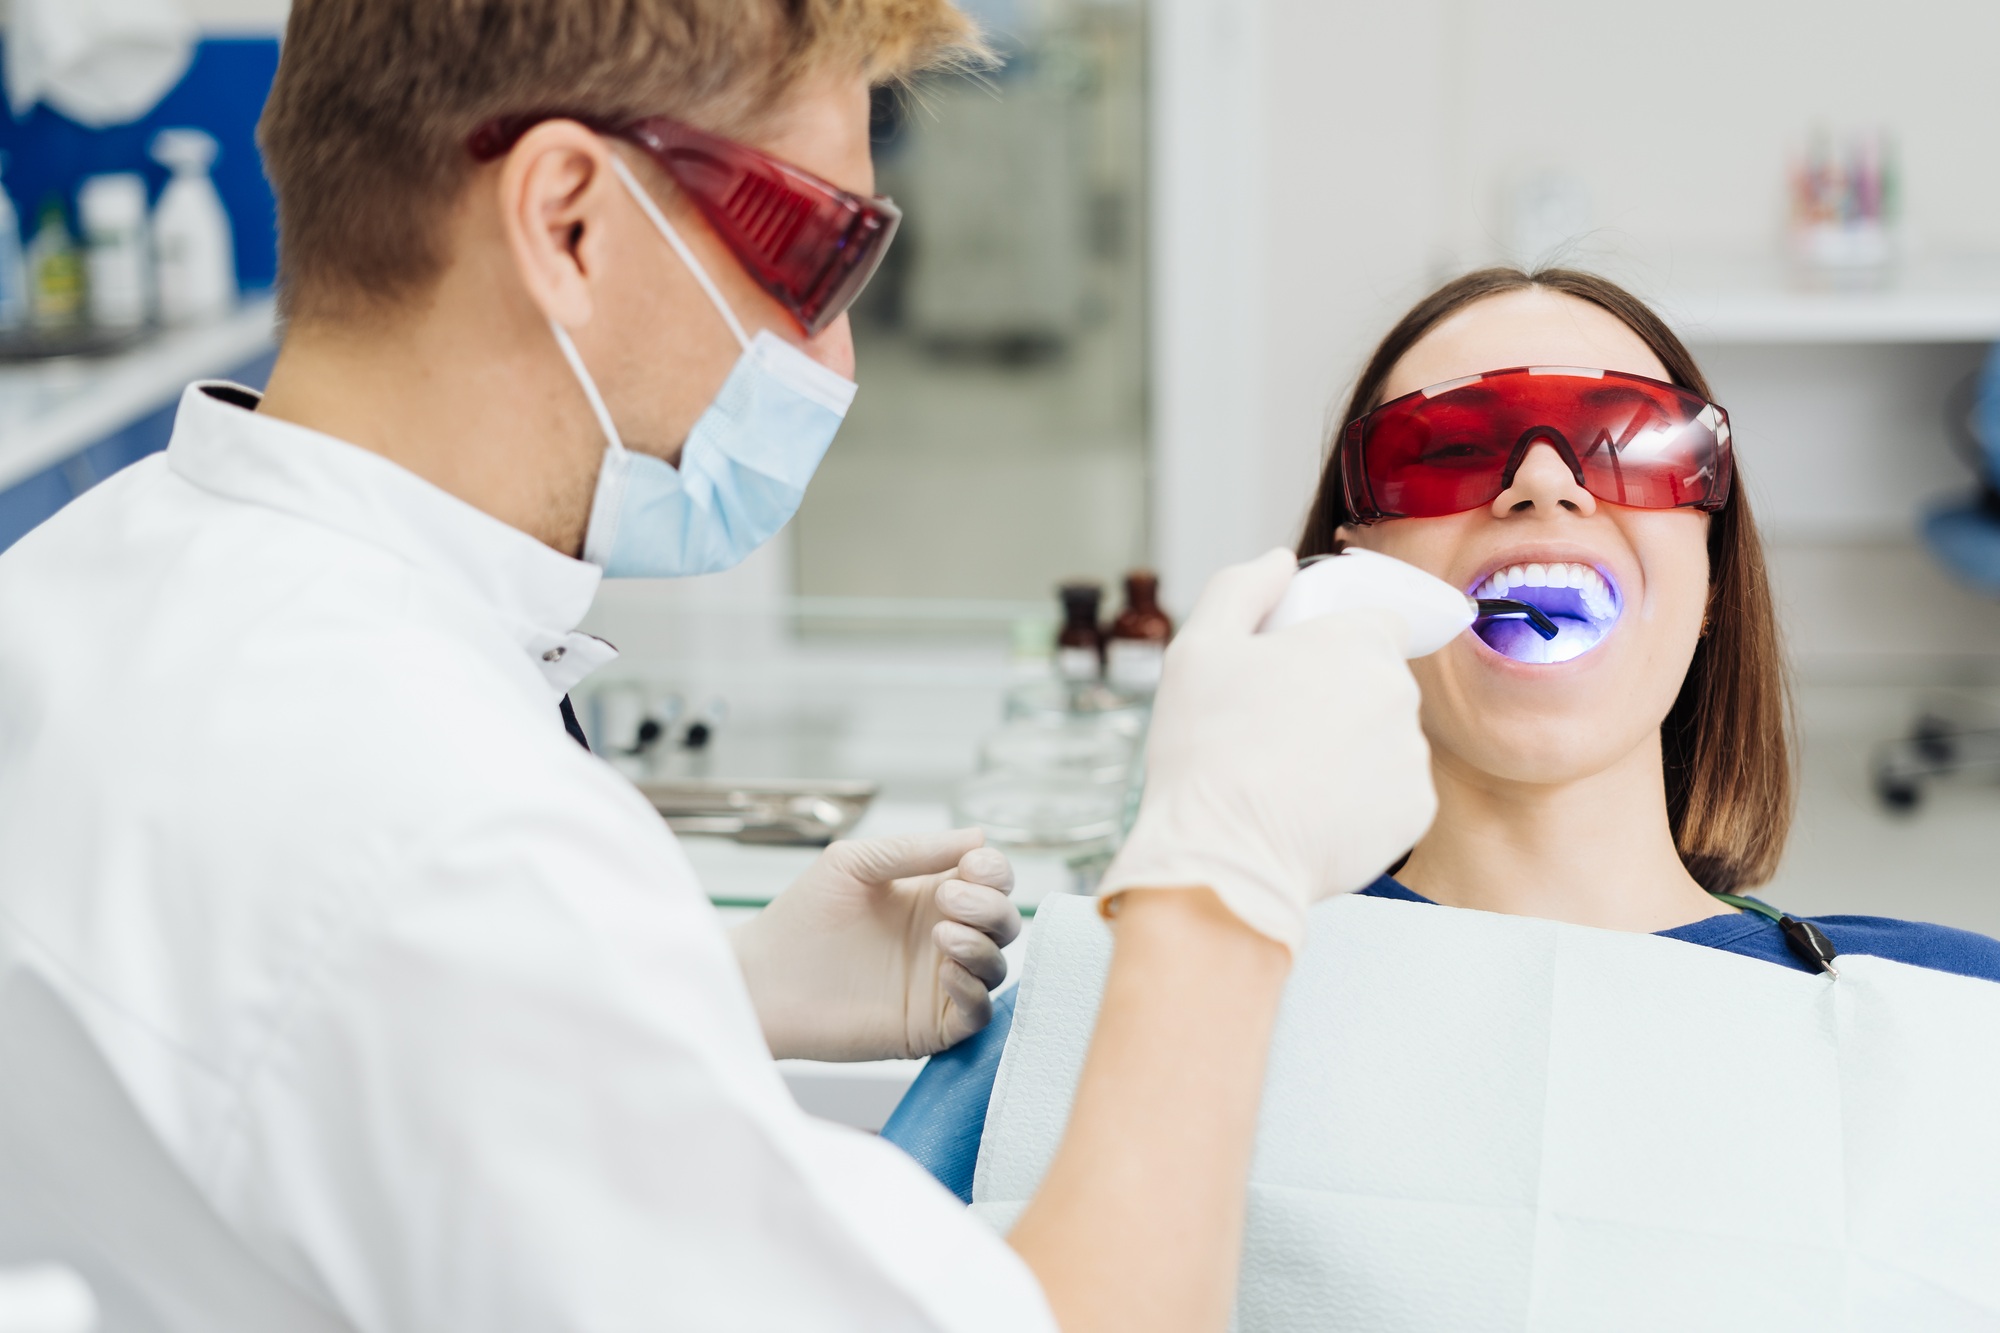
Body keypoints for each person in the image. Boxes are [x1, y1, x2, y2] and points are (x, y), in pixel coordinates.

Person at [0, 3, 1440, 1331]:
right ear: (569, 220)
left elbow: (286, 1071)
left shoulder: (91, 574)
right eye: (819, 256)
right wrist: (1220, 883)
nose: (841, 357)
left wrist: (703, 988)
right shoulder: (439, 832)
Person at [884, 265, 2000, 1203]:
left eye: (1630, 438)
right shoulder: (1128, 998)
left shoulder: (1948, 1018)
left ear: (1709, 579)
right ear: (1349, 572)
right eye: (1443, 444)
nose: (1543, 483)